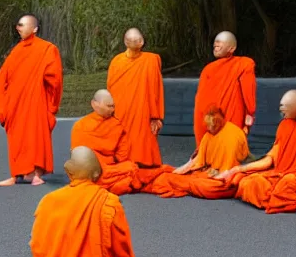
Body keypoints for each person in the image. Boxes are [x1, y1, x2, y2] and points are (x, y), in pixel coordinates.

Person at [8, 146, 196, 257]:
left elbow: (38, 247)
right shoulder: (108, 203)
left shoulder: (48, 202)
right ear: (97, 174)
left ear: (69, 172)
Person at [214, 90, 296, 214]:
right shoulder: (285, 125)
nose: (282, 111)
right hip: (280, 174)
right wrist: (238, 169)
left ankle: (279, 197)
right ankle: (276, 197)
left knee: (289, 182)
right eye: (282, 108)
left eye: (286, 108)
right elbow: (270, 159)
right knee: (249, 182)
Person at [0, 14, 63, 187]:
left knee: (35, 135)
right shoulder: (17, 50)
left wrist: (49, 98)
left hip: (35, 101)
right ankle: (16, 174)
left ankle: (36, 173)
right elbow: (3, 77)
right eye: (18, 25)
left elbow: (55, 78)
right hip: (15, 103)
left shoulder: (47, 49)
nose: (19, 28)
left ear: (35, 29)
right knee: (17, 138)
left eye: (22, 25)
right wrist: (4, 104)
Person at [71, 89, 170, 195]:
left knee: (130, 167)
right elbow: (77, 156)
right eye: (108, 106)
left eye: (113, 106)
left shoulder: (116, 124)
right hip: (93, 170)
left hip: (110, 168)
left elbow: (122, 154)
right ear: (94, 104)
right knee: (132, 171)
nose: (112, 110)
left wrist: (112, 162)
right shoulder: (80, 126)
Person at [142, 107, 251, 199]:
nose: (207, 128)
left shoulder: (233, 135)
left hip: (225, 180)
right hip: (208, 172)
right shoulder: (209, 134)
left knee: (197, 184)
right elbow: (197, 160)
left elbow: (228, 172)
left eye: (209, 126)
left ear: (218, 123)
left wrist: (210, 175)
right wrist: (182, 169)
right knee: (167, 172)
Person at [107, 28, 164, 167]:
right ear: (126, 42)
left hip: (142, 110)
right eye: (131, 40)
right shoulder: (117, 62)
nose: (134, 42)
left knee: (142, 141)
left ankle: (143, 165)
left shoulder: (151, 60)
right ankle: (124, 165)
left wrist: (155, 116)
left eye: (136, 40)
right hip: (122, 111)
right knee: (122, 141)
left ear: (142, 42)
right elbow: (111, 88)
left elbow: (156, 88)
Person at [194, 31, 256, 148]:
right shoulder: (208, 69)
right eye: (215, 42)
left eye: (220, 41)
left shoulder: (243, 64)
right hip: (209, 117)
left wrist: (250, 112)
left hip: (231, 114)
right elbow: (200, 99)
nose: (215, 44)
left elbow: (248, 91)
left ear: (232, 48)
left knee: (228, 147)